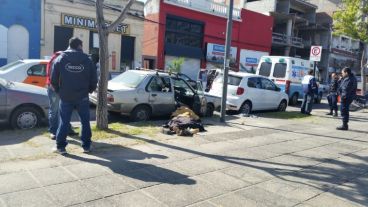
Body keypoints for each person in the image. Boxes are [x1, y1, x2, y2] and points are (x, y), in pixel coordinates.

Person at [51, 37, 98, 154]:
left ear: (69, 45)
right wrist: (89, 90)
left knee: (64, 121)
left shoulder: (60, 58)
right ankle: (86, 146)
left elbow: (53, 79)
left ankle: (60, 147)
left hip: (66, 96)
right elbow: (94, 78)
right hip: (82, 96)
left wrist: (59, 91)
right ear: (79, 46)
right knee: (85, 121)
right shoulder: (87, 60)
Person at [46, 51, 78, 140]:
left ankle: (67, 129)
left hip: (64, 89)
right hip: (54, 89)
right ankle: (53, 131)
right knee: (54, 110)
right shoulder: (57, 59)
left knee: (65, 110)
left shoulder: (62, 58)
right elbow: (52, 77)